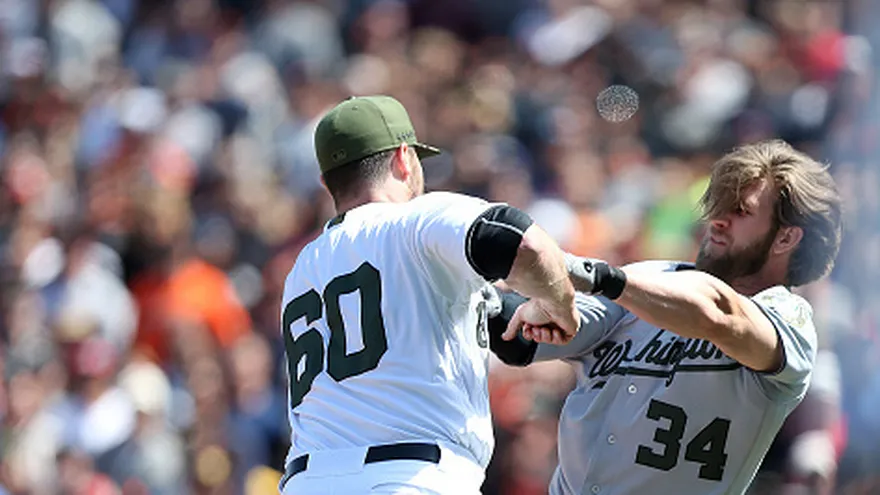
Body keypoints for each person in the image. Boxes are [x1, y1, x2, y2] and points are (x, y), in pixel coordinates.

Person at [488, 140, 843, 495]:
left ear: (785, 238)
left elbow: (718, 314)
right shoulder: (651, 277)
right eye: (719, 205)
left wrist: (587, 273)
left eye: (741, 211)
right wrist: (509, 301)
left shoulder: (788, 319)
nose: (717, 220)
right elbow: (526, 336)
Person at [278, 95, 580, 495]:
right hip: (408, 476)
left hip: (307, 480)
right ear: (405, 158)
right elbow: (519, 239)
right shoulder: (413, 220)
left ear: (327, 182)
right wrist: (561, 304)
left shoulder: (302, 268)